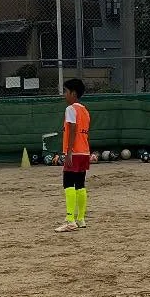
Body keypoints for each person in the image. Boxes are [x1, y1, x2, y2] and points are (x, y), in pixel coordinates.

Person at [55, 79, 91, 233]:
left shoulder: (71, 109)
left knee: (68, 184)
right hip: (84, 152)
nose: (65, 95)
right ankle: (81, 219)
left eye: (66, 92)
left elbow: (73, 129)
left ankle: (70, 220)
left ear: (73, 93)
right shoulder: (85, 110)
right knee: (80, 185)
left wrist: (69, 151)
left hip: (74, 152)